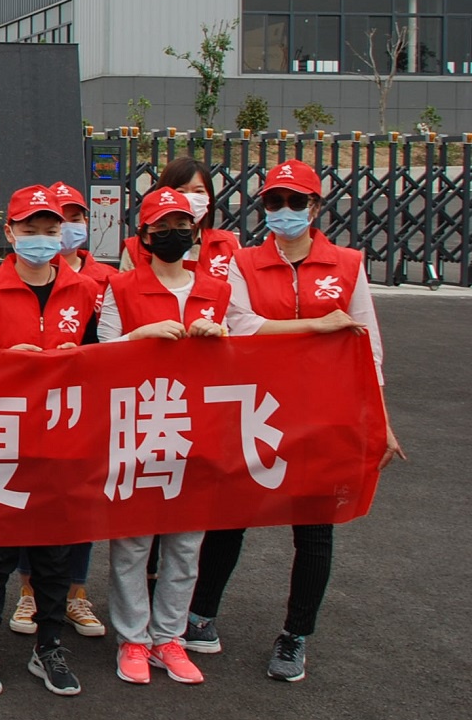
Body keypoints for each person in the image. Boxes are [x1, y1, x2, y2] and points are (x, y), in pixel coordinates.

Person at [186, 159, 405, 683]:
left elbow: (368, 347)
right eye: (274, 202)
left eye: (295, 201)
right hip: (256, 408)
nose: (284, 211)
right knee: (231, 514)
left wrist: (381, 421)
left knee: (313, 526)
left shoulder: (347, 264)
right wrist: (317, 326)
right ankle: (200, 614)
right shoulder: (244, 262)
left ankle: (295, 634)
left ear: (316, 206)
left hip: (323, 411)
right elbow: (241, 325)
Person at [0, 184, 104, 698]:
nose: (42, 238)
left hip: (60, 435)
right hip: (0, 433)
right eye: (31, 229)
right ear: (10, 232)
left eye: (50, 230)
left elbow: (97, 358)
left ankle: (49, 645)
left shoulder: (84, 290)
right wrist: (4, 360)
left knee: (54, 553)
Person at [97, 187, 232, 686]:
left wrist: (221, 338)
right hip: (138, 422)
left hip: (198, 427)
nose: (174, 234)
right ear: (145, 236)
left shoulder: (217, 289)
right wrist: (138, 338)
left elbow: (245, 353)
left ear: (195, 232)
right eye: (162, 227)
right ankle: (133, 638)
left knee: (185, 542)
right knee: (133, 540)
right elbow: (100, 353)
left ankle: (169, 637)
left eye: (182, 226)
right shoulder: (122, 287)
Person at [26, 180, 107, 637]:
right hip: (20, 417)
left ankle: (75, 594)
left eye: (68, 221)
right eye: (32, 228)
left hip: (73, 414)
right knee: (21, 502)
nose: (48, 237)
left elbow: (101, 349)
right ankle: (27, 593)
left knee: (75, 506)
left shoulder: (92, 285)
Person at [120, 157, 242, 278]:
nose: (190, 198)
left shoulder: (227, 244)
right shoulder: (135, 250)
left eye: (198, 191)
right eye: (180, 191)